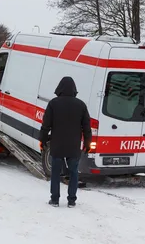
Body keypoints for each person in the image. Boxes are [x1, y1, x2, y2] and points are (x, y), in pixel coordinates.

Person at [39, 76, 92, 208]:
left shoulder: (53, 103)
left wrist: (43, 140)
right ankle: (72, 200)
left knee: (56, 172)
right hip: (73, 145)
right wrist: (87, 143)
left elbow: (46, 125)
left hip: (57, 143)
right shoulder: (81, 105)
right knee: (74, 172)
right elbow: (87, 127)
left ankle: (55, 199)